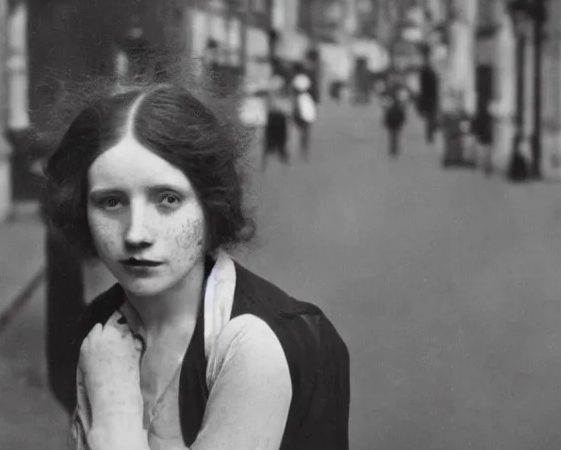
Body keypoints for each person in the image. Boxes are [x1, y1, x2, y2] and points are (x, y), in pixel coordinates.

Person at [40, 83, 350, 449]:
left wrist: (115, 416)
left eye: (168, 199)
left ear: (210, 204)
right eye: (111, 202)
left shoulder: (253, 346)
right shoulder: (99, 321)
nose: (136, 233)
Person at [262, 78, 291, 171]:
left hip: (280, 121)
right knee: (269, 141)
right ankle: (265, 161)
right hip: (272, 120)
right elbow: (267, 108)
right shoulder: (270, 98)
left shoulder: (284, 97)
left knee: (281, 140)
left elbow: (287, 110)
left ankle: (283, 157)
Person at [292, 69, 317, 161]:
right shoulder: (306, 97)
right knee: (305, 133)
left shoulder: (298, 96)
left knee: (300, 133)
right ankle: (304, 152)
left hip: (301, 114)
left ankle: (302, 152)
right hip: (305, 115)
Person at [383, 85, 408, 158]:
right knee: (395, 137)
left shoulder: (390, 105)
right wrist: (403, 121)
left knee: (392, 137)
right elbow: (402, 114)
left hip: (392, 122)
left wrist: (385, 122)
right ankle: (395, 150)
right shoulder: (399, 105)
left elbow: (387, 114)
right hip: (396, 122)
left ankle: (392, 150)